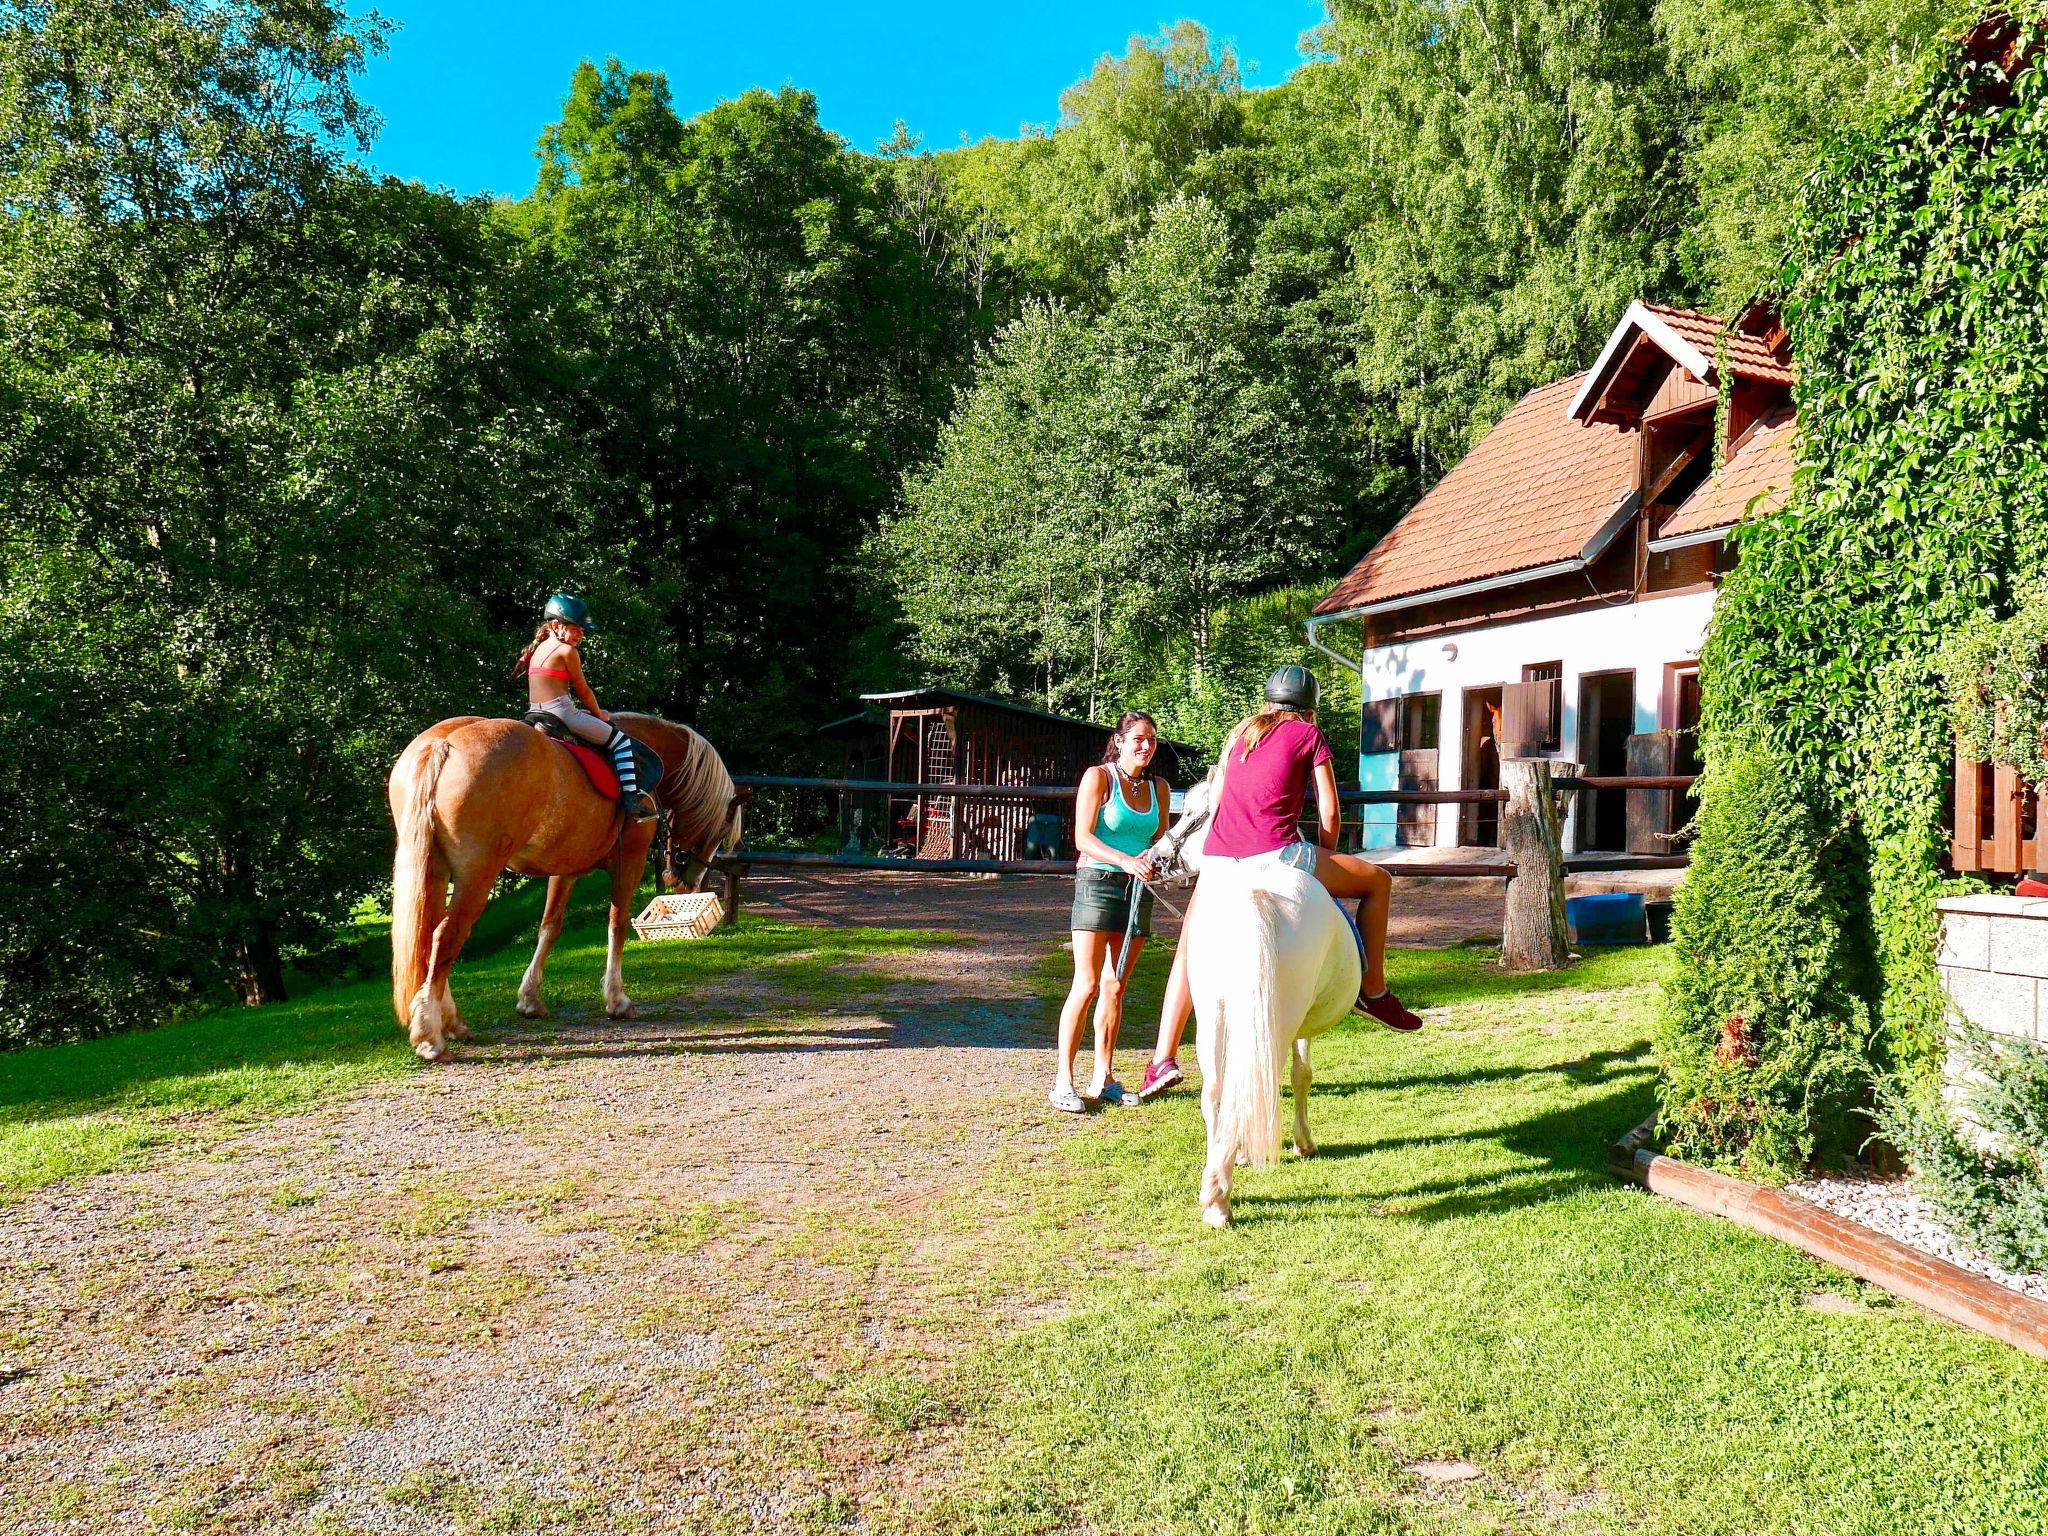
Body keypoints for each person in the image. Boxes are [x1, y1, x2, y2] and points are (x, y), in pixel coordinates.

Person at [1137, 665, 1420, 1099]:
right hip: (1276, 853)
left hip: (1218, 860)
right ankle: (1372, 990)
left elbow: (1219, 798)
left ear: (1268, 701)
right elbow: (1328, 808)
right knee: (1378, 882)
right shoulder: (1307, 734)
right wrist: (1327, 853)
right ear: (1310, 708)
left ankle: (1162, 1059)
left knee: (1188, 951)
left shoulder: (1239, 733)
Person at [1051, 711, 1170, 1114]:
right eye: (1137, 738)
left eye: (1151, 740)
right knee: (1085, 984)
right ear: (1119, 741)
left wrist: (1156, 864)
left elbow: (1160, 840)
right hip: (1097, 885)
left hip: (1138, 890)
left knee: (1115, 985)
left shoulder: (1160, 788)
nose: (1145, 746)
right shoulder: (1098, 777)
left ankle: (1104, 1078)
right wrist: (1124, 860)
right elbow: (1082, 838)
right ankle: (1062, 1082)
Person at [517, 593, 657, 821]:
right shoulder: (567, 652)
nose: (580, 635)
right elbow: (584, 691)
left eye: (582, 631)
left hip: (535, 712)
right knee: (620, 742)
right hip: (561, 713)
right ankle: (632, 802)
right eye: (576, 629)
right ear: (555, 625)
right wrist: (599, 713)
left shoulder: (537, 649)